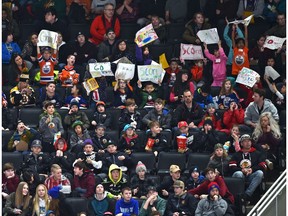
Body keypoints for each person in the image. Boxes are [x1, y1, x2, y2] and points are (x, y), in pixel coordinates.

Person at [229, 134, 266, 202]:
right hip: (241, 175)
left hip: (251, 175)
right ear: (242, 143)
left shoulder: (257, 153)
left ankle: (246, 195)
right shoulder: (237, 154)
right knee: (238, 173)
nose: (247, 143)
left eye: (249, 141)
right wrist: (242, 170)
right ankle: (240, 194)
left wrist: (252, 169)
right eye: (245, 141)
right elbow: (231, 166)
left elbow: (263, 165)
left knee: (260, 173)